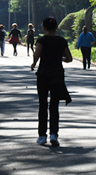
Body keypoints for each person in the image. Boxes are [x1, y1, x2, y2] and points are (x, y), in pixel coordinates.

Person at [31, 17, 73, 147]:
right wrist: (59, 58)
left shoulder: (41, 40)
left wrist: (33, 64)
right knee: (54, 105)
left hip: (43, 74)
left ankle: (42, 135)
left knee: (42, 104)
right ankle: (54, 134)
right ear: (56, 28)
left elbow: (37, 54)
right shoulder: (61, 41)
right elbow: (69, 58)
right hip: (57, 75)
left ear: (44, 28)